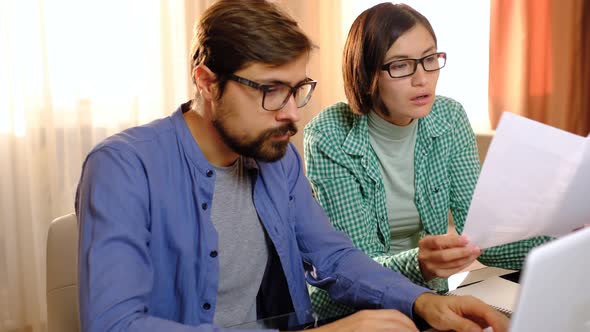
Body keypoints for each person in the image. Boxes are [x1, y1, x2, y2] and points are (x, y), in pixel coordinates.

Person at [75, 0, 509, 331]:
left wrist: (422, 302)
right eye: (271, 91)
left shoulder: (276, 159)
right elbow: (116, 324)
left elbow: (332, 257)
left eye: (297, 89)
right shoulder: (123, 168)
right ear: (207, 82)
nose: (293, 115)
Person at [303, 2, 551, 317]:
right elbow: (354, 270)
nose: (423, 79)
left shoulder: (449, 117)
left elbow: (482, 239)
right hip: (354, 308)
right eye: (401, 65)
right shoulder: (328, 135)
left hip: (427, 296)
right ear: (366, 72)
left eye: (430, 59)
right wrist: (421, 263)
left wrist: (561, 237)